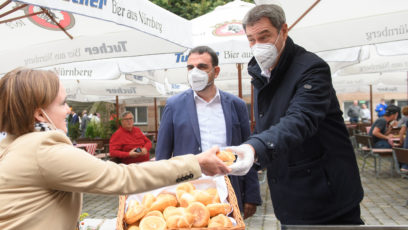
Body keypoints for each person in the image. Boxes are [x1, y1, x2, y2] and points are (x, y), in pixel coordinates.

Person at [0, 67, 231, 230]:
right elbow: (121, 177)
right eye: (62, 103)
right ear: (40, 114)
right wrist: (197, 163)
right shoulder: (42, 150)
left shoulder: (15, 145)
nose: (69, 110)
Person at [224, 4, 364, 225]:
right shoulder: (261, 74)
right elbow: (267, 126)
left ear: (284, 31)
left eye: (265, 36)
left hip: (326, 197)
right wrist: (240, 151)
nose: (258, 45)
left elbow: (300, 119)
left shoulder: (312, 69)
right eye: (251, 39)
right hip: (288, 197)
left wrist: (254, 148)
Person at [155, 46, 262, 219]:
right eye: (190, 67)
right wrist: (162, 193)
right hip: (188, 191)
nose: (195, 72)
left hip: (228, 190)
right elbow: (162, 156)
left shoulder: (237, 105)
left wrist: (252, 195)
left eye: (202, 66)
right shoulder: (174, 105)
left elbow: (246, 150)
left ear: (216, 71)